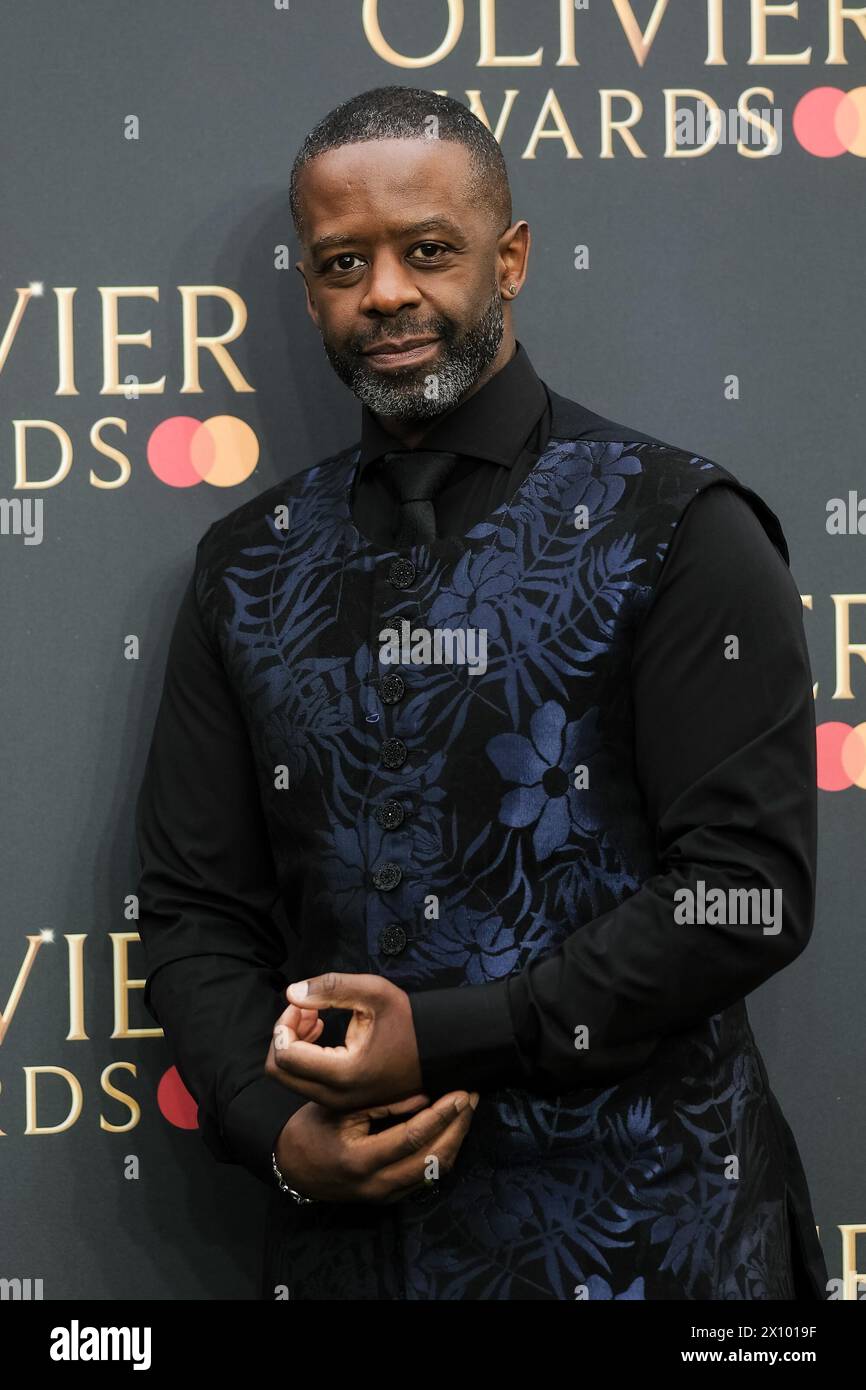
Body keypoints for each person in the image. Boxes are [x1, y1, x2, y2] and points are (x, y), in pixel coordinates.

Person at [135, 85, 828, 1301]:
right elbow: (197, 906)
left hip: (652, 1244)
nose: (386, 292)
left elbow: (744, 892)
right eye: (344, 261)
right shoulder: (246, 568)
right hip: (351, 1255)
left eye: (428, 250)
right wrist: (274, 1130)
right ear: (309, 289)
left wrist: (451, 1033)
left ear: (507, 259)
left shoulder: (677, 527)